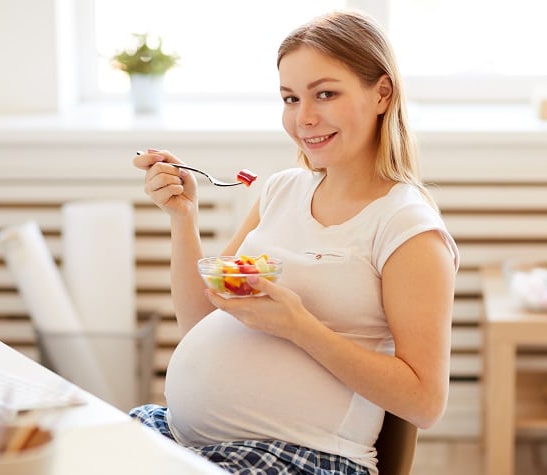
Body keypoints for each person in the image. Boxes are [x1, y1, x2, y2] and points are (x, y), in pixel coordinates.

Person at [130, 9, 459, 475]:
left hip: (302, 458)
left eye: (325, 94)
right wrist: (184, 219)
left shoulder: (406, 227)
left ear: (382, 93)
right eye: (290, 98)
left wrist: (299, 326)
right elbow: (200, 321)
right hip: (186, 439)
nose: (304, 118)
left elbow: (425, 403)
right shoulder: (282, 190)